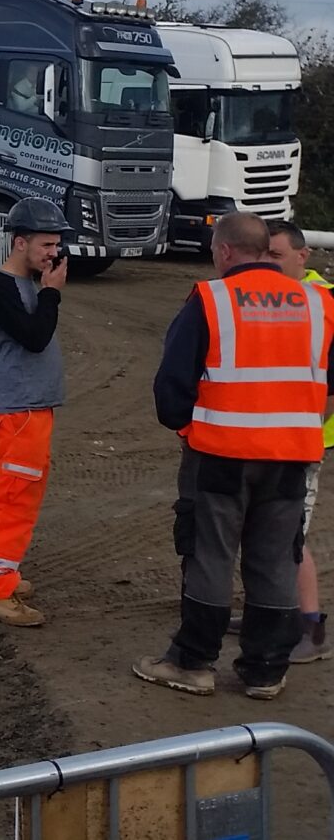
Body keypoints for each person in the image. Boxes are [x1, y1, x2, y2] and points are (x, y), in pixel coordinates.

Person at [136, 213, 334, 699]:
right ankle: (266, 669)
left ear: (224, 251)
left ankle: (193, 661)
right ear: (266, 249)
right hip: (291, 455)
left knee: (210, 554)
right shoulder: (318, 303)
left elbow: (170, 387)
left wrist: (187, 429)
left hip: (220, 454)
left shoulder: (211, 300)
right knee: (274, 560)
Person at [0, 195, 71, 627]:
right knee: (15, 498)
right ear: (20, 242)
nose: (55, 253)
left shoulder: (28, 284)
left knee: (14, 494)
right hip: (18, 411)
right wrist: (51, 295)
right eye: (47, 245)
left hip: (30, 410)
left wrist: (46, 291)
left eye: (56, 245)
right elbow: (34, 336)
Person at [266, 219, 334, 662]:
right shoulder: (278, 298)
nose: (267, 264)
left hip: (306, 440)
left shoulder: (323, 303)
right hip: (275, 437)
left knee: (290, 536)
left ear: (301, 256)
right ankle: (272, 612)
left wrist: (307, 430)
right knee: (268, 532)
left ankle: (310, 626)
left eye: (275, 255)